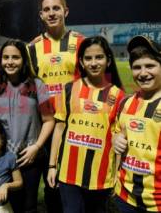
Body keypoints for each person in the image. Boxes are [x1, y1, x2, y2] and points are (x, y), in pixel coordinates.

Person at [47, 36, 124, 213]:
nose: (94, 63)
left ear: (108, 60)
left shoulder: (118, 96)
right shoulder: (68, 89)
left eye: (99, 57)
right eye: (88, 58)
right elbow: (59, 129)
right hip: (68, 174)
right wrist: (52, 166)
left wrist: (117, 173)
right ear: (81, 62)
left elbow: (118, 139)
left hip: (101, 175)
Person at [0, 39, 55, 213]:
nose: (10, 62)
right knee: (3, 204)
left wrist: (36, 147)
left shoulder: (37, 86)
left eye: (15, 57)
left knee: (28, 206)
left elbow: (49, 120)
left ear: (24, 60)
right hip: (1, 157)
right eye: (6, 57)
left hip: (28, 157)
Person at [27, 0, 85, 213]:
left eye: (56, 8)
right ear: (41, 15)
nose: (52, 13)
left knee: (73, 181)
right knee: (50, 183)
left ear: (65, 11)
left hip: (74, 124)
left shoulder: (80, 42)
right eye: (47, 10)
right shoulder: (32, 48)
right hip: (44, 124)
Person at [112, 36, 161, 213]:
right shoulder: (126, 103)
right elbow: (118, 133)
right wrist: (115, 139)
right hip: (126, 198)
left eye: (150, 66)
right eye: (137, 67)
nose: (143, 73)